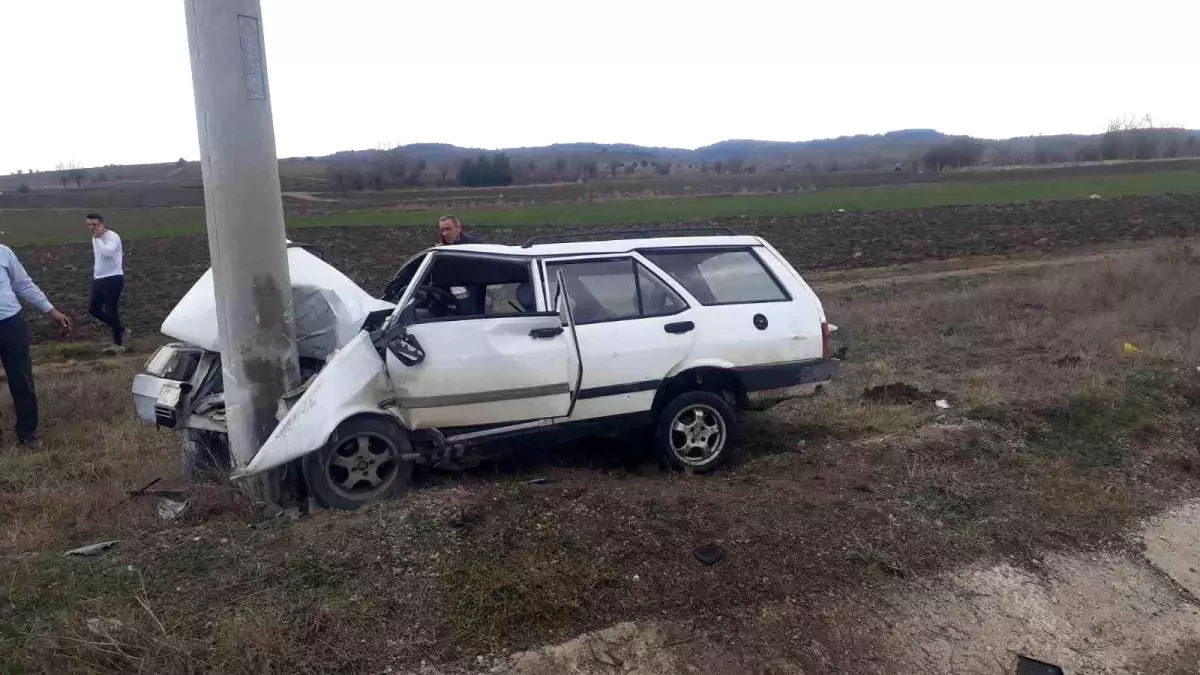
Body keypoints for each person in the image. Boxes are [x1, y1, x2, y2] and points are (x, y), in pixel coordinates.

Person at [0, 245, 72, 445]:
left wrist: (51, 310)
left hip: (10, 324)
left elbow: (23, 284)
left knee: (22, 379)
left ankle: (27, 434)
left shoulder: (3, 253)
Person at [86, 213, 126, 351]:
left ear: (102, 224)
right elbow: (99, 258)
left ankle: (118, 344)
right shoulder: (95, 237)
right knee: (93, 309)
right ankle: (120, 329)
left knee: (111, 310)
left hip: (113, 278)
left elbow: (108, 253)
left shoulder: (112, 237)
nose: (92, 228)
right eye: (89, 225)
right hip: (99, 279)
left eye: (94, 224)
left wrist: (97, 239)